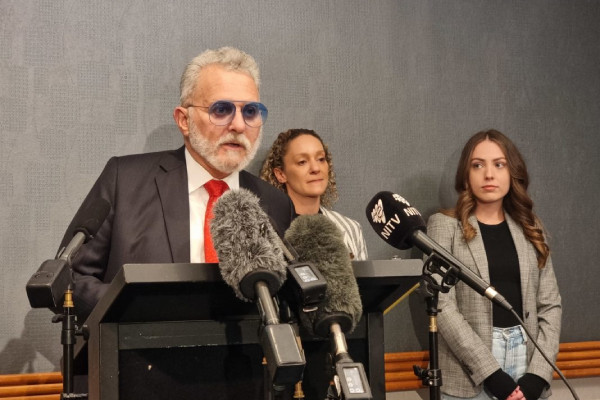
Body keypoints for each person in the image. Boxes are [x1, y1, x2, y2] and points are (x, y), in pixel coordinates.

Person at [59, 47, 295, 321]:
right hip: (139, 356)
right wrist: (139, 312)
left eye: (251, 111)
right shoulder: (125, 179)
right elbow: (69, 276)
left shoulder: (275, 204)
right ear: (184, 120)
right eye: (222, 110)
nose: (239, 125)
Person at [426, 129, 562, 400]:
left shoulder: (530, 229)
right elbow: (442, 306)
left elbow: (550, 306)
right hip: (470, 375)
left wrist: (538, 374)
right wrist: (491, 373)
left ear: (512, 172)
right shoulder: (444, 227)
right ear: (466, 174)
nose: (489, 174)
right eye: (478, 165)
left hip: (528, 363)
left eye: (499, 165)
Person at [260, 128, 368, 260]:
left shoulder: (351, 228)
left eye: (321, 159)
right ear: (281, 174)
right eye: (302, 162)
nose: (316, 168)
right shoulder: (265, 232)